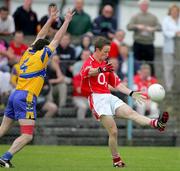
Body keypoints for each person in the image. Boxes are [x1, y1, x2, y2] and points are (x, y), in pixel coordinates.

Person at [0, 7, 74, 168]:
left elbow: (40, 36)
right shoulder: (41, 57)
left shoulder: (28, 53)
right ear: (44, 50)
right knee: (27, 135)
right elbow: (57, 39)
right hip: (25, 96)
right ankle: (5, 157)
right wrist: (66, 21)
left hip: (15, 94)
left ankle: (5, 157)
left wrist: (50, 19)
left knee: (3, 128)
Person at [80, 36, 169, 168]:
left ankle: (157, 123)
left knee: (131, 113)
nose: (107, 54)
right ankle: (116, 161)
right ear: (97, 50)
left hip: (108, 96)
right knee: (114, 131)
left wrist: (132, 93)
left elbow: (117, 84)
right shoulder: (89, 62)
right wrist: (100, 70)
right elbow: (89, 72)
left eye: (108, 51)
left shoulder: (105, 64)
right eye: (105, 51)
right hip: (97, 99)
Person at [127, 0, 161, 75]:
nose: (144, 6)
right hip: (138, 43)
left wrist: (152, 29)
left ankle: (152, 82)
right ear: (140, 6)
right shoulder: (135, 16)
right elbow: (129, 26)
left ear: (148, 6)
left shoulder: (153, 17)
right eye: (143, 5)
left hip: (149, 43)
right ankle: (135, 81)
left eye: (146, 5)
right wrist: (137, 26)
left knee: (150, 64)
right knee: (136, 64)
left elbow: (159, 27)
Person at [162, 4, 180, 92]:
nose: (175, 12)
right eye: (173, 10)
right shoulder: (166, 19)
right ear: (170, 11)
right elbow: (165, 32)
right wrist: (175, 33)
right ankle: (169, 87)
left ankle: (177, 87)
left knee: (178, 68)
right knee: (169, 67)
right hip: (169, 47)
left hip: (179, 47)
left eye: (176, 11)